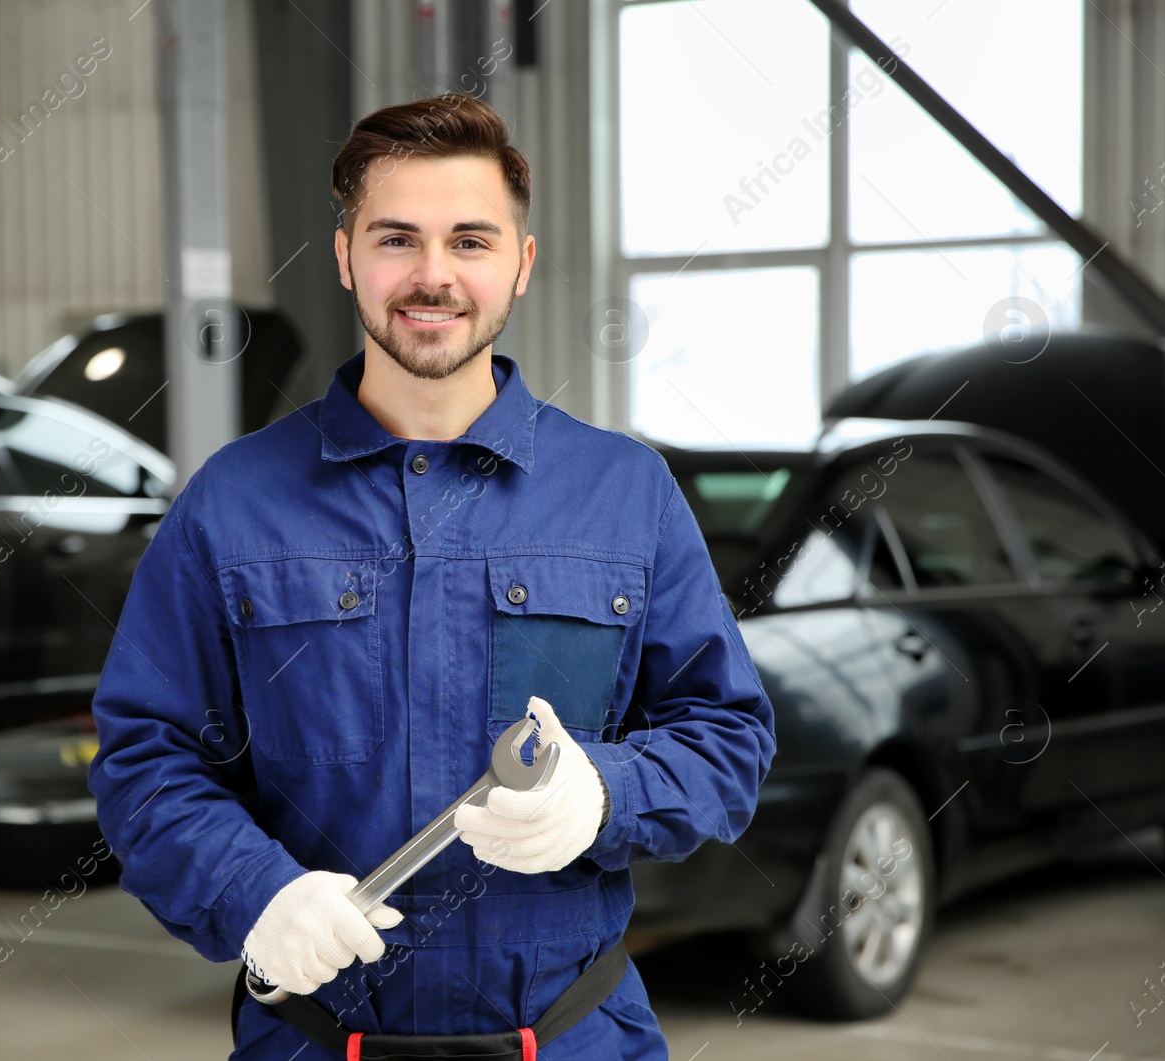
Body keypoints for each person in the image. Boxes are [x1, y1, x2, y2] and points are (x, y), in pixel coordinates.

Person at [88, 92, 776, 1060]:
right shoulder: (232, 500)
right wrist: (255, 889)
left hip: (574, 1035)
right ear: (344, 257)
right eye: (396, 238)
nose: (432, 275)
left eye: (470, 239)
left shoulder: (625, 489)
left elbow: (726, 735)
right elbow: (146, 755)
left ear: (521, 264)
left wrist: (608, 791)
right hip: (314, 1038)